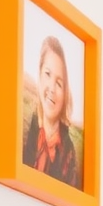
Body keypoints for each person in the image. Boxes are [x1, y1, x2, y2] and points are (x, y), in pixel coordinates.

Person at [22, 36, 81, 189]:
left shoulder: (69, 154)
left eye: (59, 83)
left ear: (65, 93)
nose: (52, 88)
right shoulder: (24, 128)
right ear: (39, 75)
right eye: (47, 74)